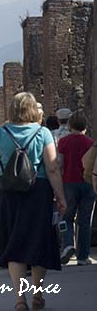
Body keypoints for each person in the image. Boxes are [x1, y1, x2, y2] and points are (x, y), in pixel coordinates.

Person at [0, 92, 66, 311]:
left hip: (8, 192)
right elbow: (52, 168)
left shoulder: (1, 133)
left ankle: (20, 299)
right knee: (39, 239)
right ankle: (37, 292)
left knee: (14, 242)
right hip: (38, 192)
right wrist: (60, 195)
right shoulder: (43, 133)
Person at [58, 110, 95, 266]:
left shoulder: (63, 142)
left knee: (67, 217)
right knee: (85, 221)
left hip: (69, 183)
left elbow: (59, 164)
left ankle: (68, 245)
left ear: (70, 125)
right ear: (85, 126)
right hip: (87, 183)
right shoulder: (90, 143)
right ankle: (83, 256)